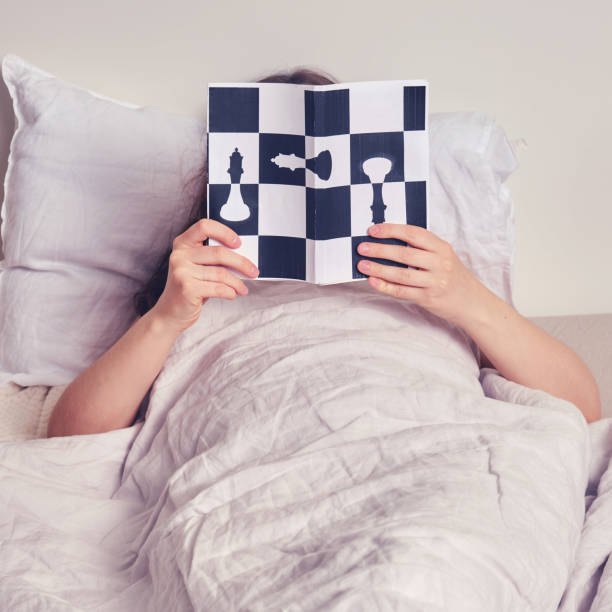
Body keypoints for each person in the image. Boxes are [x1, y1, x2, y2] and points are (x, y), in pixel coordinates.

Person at [46, 68, 602, 438]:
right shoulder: (193, 294)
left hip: (425, 441)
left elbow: (583, 409)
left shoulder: (432, 288)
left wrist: (464, 296)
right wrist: (166, 317)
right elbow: (70, 437)